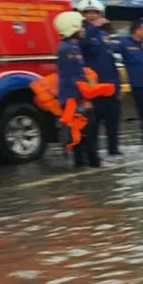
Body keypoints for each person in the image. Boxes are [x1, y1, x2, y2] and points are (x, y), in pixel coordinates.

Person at [54, 12, 101, 169]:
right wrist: (84, 100)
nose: (83, 29)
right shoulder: (69, 50)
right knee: (86, 137)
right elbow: (72, 79)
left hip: (73, 100)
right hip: (75, 101)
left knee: (81, 138)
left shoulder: (71, 48)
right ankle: (90, 168)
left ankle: (85, 168)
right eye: (81, 26)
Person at [76, 0, 122, 157]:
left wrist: (118, 85)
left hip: (110, 88)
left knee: (113, 124)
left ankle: (114, 151)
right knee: (92, 126)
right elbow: (82, 46)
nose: (91, 15)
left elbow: (110, 60)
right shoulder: (81, 34)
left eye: (94, 12)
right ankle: (92, 155)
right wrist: (93, 28)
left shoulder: (104, 35)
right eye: (87, 13)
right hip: (93, 90)